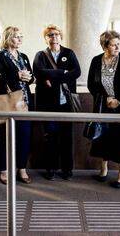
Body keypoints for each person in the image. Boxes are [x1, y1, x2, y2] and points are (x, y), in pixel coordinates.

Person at [87, 30, 120, 188]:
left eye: (118, 44)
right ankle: (104, 169)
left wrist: (118, 100)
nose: (117, 47)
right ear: (104, 46)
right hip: (103, 105)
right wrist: (105, 97)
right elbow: (91, 84)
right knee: (103, 138)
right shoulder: (96, 61)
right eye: (113, 45)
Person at [33, 24, 81, 180]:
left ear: (61, 36)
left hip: (66, 103)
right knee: (50, 137)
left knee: (67, 137)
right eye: (50, 35)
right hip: (48, 104)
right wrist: (61, 72)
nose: (54, 37)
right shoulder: (40, 55)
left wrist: (52, 78)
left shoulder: (69, 53)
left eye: (56, 34)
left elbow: (77, 72)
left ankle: (67, 169)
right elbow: (38, 72)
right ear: (45, 38)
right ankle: (50, 168)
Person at [0, 26, 34, 184]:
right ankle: (4, 169)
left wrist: (29, 77)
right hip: (8, 103)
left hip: (25, 103)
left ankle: (21, 169)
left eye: (21, 36)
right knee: (5, 138)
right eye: (17, 36)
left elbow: (31, 77)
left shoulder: (24, 56)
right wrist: (16, 75)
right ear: (8, 38)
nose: (20, 39)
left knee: (24, 137)